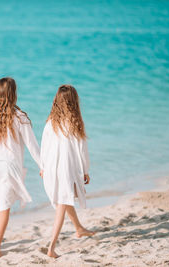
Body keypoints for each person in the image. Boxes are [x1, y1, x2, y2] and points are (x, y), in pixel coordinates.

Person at [0, 77, 41, 258]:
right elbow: (32, 146)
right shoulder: (20, 117)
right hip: (9, 166)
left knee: (1, 200)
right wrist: (43, 166)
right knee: (5, 206)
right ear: (13, 94)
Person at [40, 84, 95, 258]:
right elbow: (82, 149)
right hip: (66, 169)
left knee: (64, 198)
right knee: (61, 207)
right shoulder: (75, 123)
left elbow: (44, 147)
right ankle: (51, 248)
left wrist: (43, 167)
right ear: (74, 101)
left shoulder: (50, 122)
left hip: (51, 168)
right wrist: (85, 170)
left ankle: (79, 229)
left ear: (57, 100)